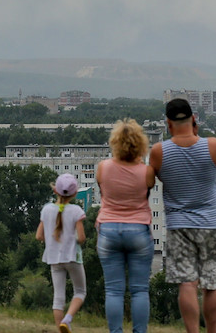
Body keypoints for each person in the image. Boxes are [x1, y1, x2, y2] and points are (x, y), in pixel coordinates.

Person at [149, 98, 216, 333]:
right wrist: (198, 135)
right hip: (211, 224)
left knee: (187, 284)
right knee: (212, 285)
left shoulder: (159, 151)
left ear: (168, 123)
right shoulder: (212, 145)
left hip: (178, 225)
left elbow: (157, 177)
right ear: (193, 119)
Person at [96, 118, 155, 333]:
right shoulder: (147, 172)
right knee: (140, 290)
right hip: (138, 230)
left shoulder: (103, 168)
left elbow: (103, 192)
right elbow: (148, 189)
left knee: (113, 291)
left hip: (108, 230)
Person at [36, 173, 86, 333]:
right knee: (80, 291)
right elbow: (82, 238)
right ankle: (68, 318)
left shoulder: (46, 210)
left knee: (58, 298)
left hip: (54, 259)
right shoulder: (76, 211)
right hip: (73, 257)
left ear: (55, 190)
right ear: (74, 193)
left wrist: (51, 240)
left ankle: (61, 328)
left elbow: (39, 236)